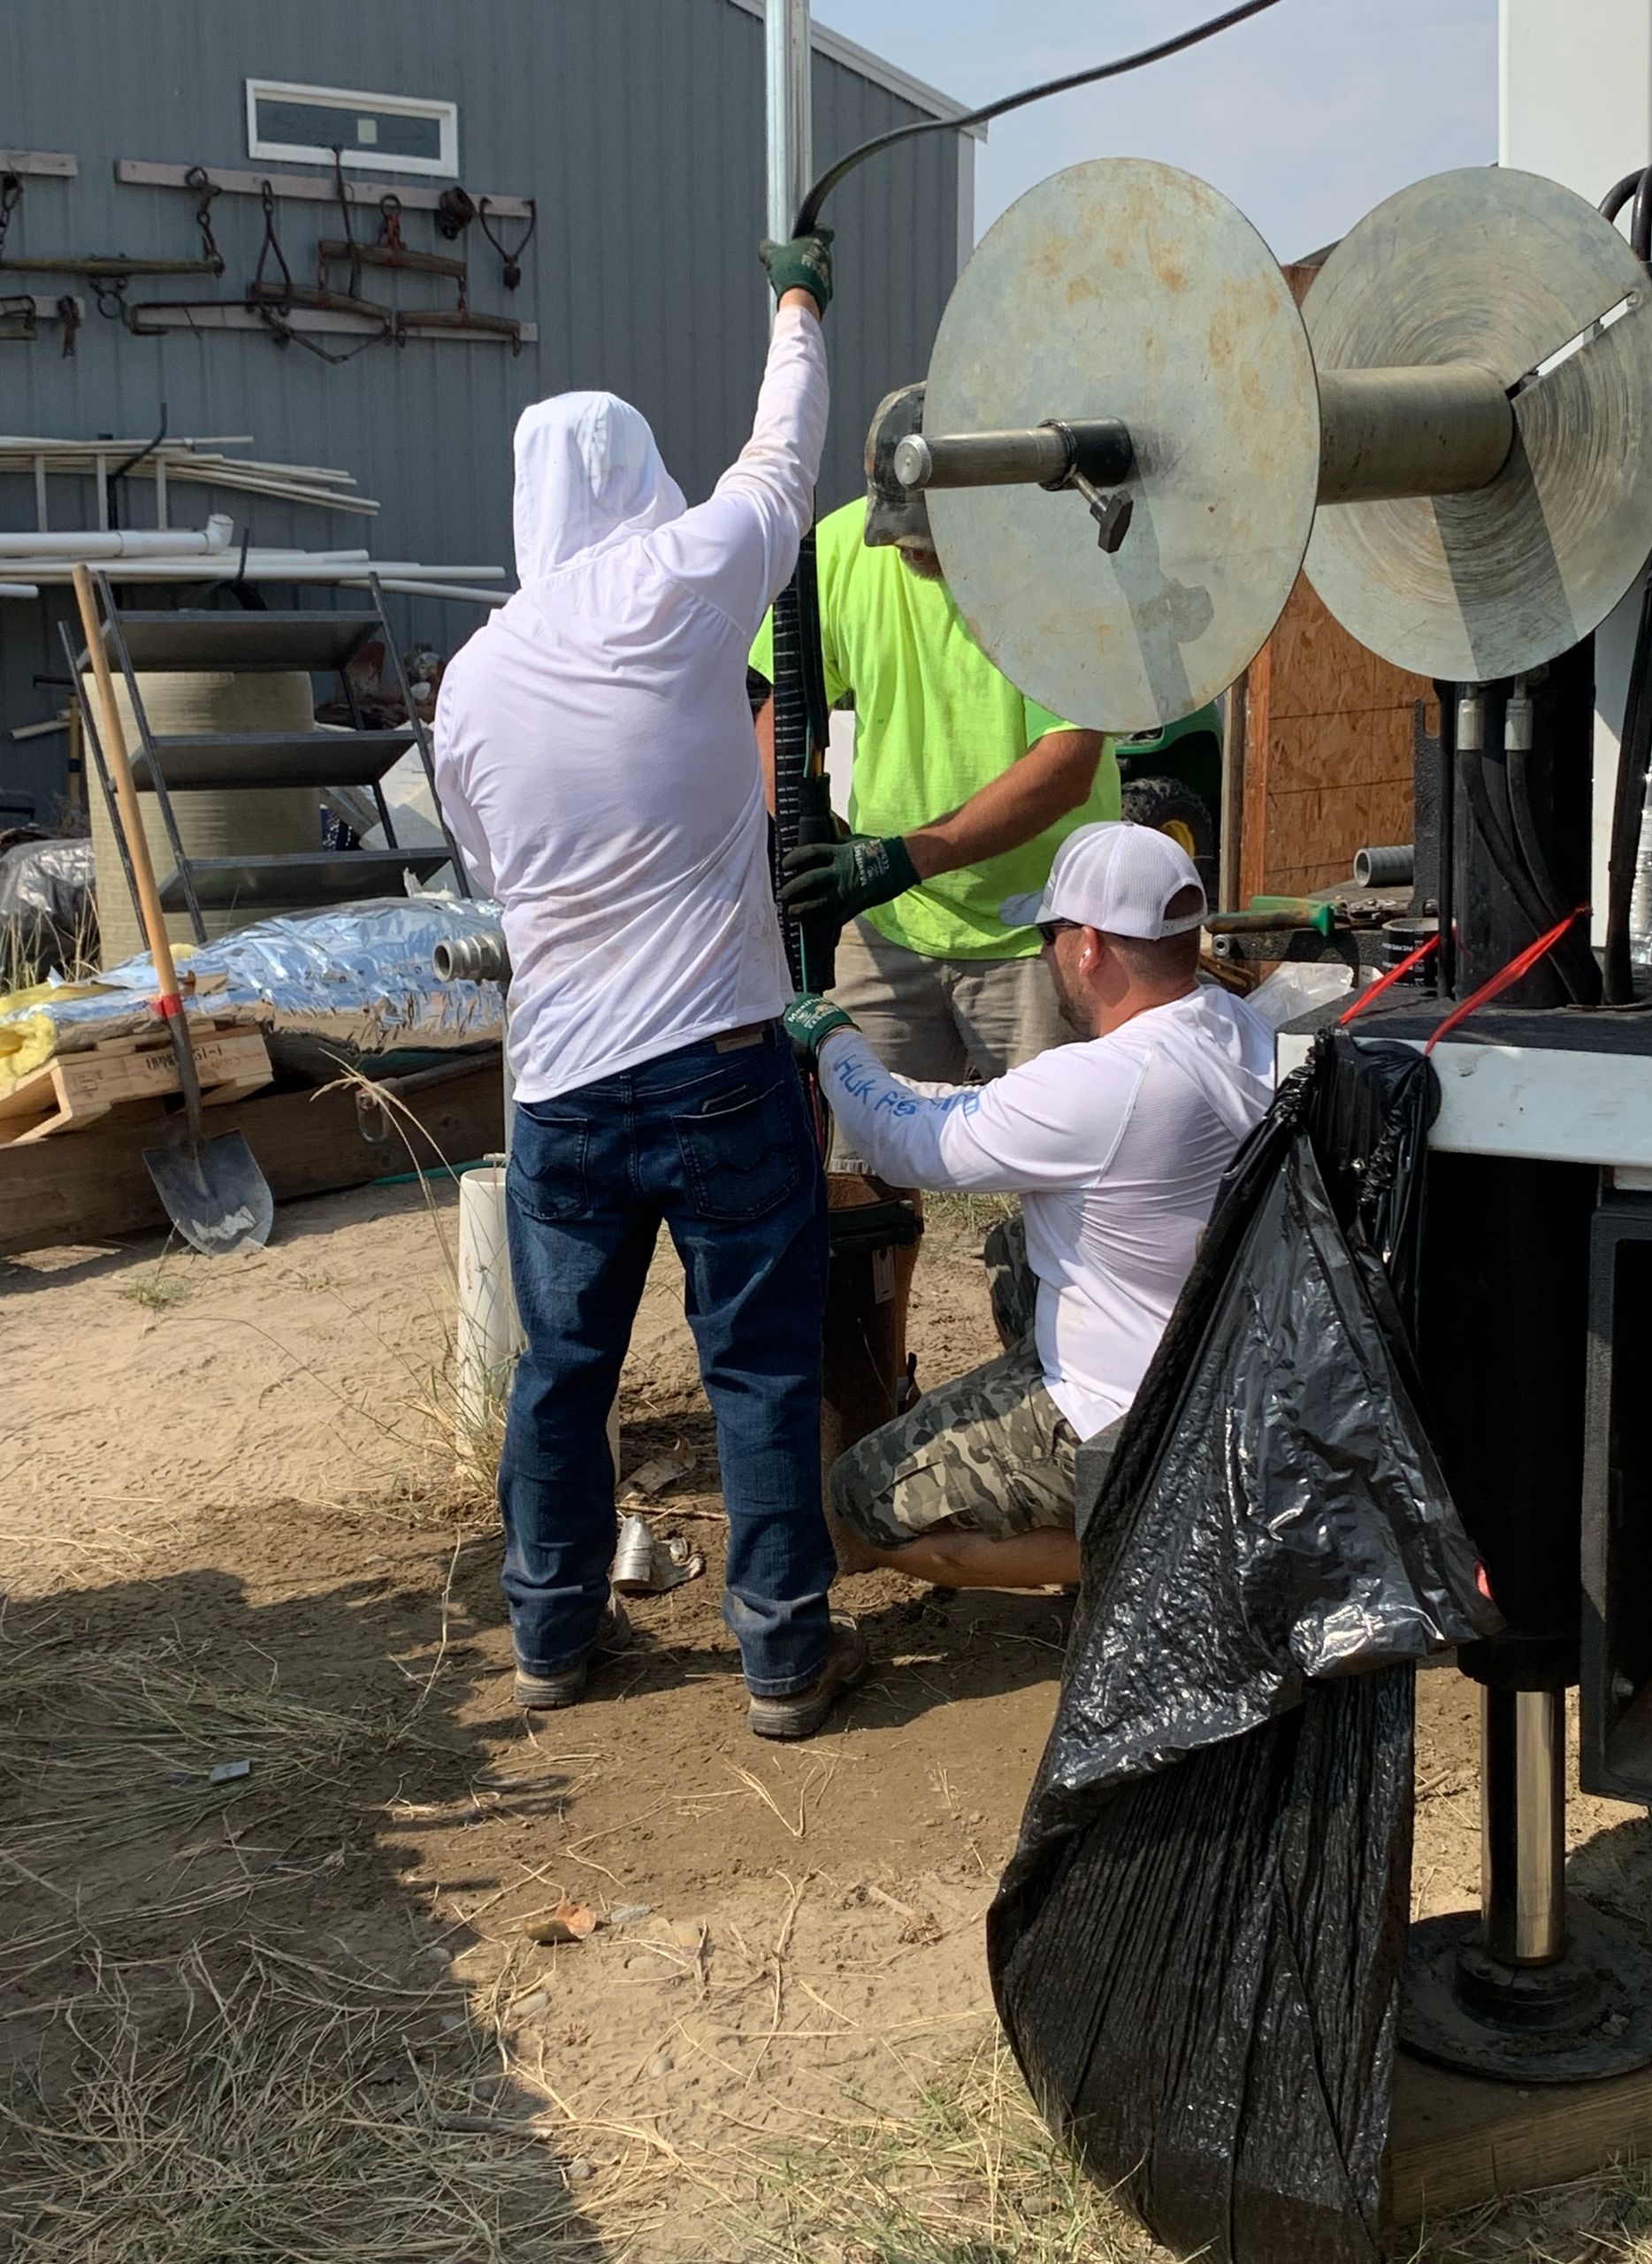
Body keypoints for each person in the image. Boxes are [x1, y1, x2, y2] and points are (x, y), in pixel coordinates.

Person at [432, 229, 867, 1740]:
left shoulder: (472, 678)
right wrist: (797, 303)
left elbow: (494, 866)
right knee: (757, 1361)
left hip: (560, 1081)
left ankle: (552, 1637)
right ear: (634, 482)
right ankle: (782, 1659)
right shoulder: (683, 584)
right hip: (719, 1061)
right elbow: (785, 452)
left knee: (563, 1372)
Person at [784, 822, 1275, 1592]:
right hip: (1225, 1375)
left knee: (858, 1501)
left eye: (1049, 938)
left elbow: (903, 1145)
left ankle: (1165, 1553)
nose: (1046, 958)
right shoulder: (1233, 1023)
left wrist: (833, 1037)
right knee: (1019, 1252)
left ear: (1089, 947)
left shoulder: (1108, 1080)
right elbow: (979, 1114)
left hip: (1138, 1411)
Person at [750, 383, 1121, 1166]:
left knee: (1058, 1169)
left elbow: (1067, 767)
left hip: (1038, 930)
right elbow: (783, 701)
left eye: (932, 540)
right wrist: (799, 817)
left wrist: (901, 857)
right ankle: (877, 1289)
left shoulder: (1051, 568)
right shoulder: (842, 549)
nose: (913, 553)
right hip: (889, 930)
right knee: (863, 1170)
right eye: (902, 536)